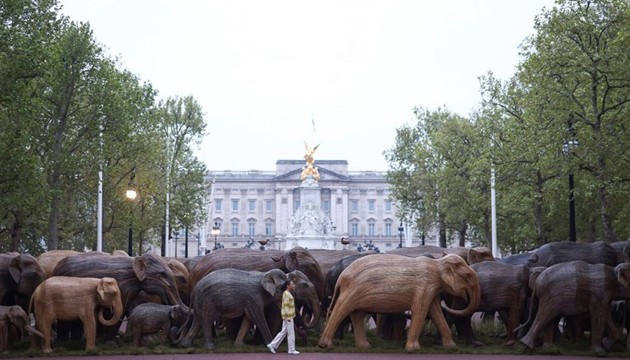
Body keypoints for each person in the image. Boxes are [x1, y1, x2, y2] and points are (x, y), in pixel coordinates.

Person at [267, 280, 300, 355]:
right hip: (288, 316)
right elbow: (285, 306)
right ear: (288, 286)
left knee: (283, 332)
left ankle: (272, 345)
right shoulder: (286, 294)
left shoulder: (287, 293)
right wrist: (288, 317)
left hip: (288, 316)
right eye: (292, 284)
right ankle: (291, 349)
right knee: (291, 333)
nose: (293, 285)